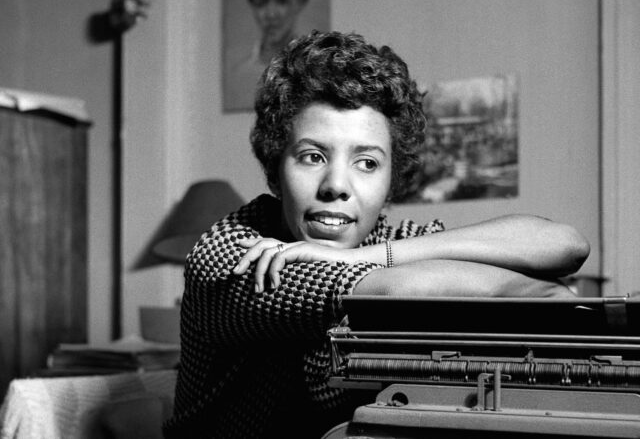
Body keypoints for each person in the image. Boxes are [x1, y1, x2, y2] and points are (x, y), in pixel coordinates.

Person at [164, 30, 590, 438]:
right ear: (276, 168)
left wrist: (361, 258)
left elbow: (567, 245)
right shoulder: (232, 252)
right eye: (312, 156)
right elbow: (407, 289)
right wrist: (537, 290)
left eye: (366, 163)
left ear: (391, 182)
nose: (336, 185)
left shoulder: (390, 240)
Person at [225, 0, 314, 110]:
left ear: (300, 2)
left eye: (282, 1)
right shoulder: (239, 75)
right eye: (262, 3)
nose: (271, 14)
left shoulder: (313, 71)